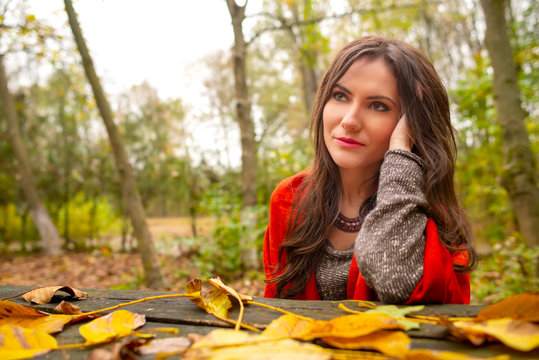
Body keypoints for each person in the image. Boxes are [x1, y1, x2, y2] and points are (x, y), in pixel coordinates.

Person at [263, 35, 477, 304]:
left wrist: (399, 149)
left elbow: (398, 286)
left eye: (378, 106)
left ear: (411, 122)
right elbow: (273, 309)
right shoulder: (289, 199)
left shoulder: (429, 213)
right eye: (340, 96)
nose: (349, 120)